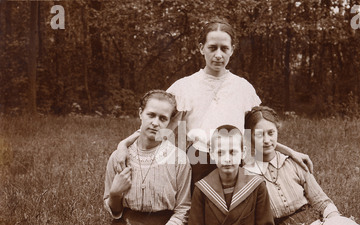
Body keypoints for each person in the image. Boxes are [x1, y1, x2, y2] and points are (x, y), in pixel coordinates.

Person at [115, 19, 313, 186]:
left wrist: (290, 151)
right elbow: (157, 127)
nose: (218, 54)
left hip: (235, 162)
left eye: (224, 48)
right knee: (198, 221)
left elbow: (259, 133)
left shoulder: (243, 88)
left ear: (232, 51)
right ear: (201, 48)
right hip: (197, 163)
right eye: (212, 48)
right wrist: (123, 145)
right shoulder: (183, 87)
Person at [78, 90, 192, 225]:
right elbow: (114, 212)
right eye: (151, 115)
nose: (156, 123)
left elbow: (184, 209)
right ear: (140, 113)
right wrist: (114, 194)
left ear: (168, 122)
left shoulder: (179, 159)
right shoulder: (119, 157)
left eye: (163, 118)